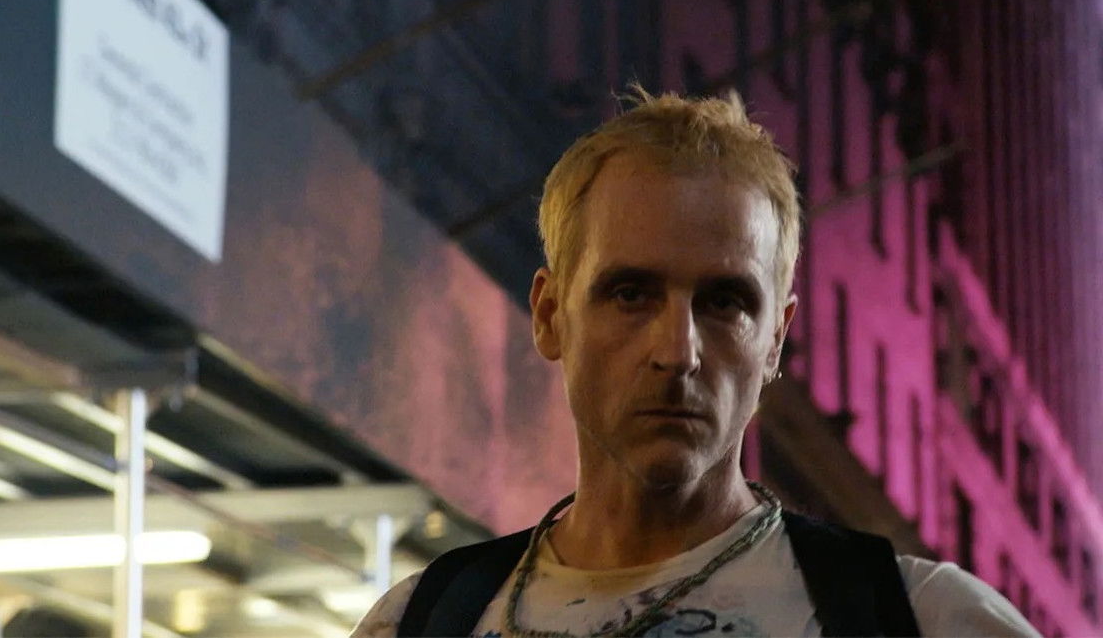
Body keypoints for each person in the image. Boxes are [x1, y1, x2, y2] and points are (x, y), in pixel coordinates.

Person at [351, 90, 1038, 637]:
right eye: (630, 293)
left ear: (776, 338)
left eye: (724, 302)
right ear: (551, 314)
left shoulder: (928, 618)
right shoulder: (419, 620)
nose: (677, 351)